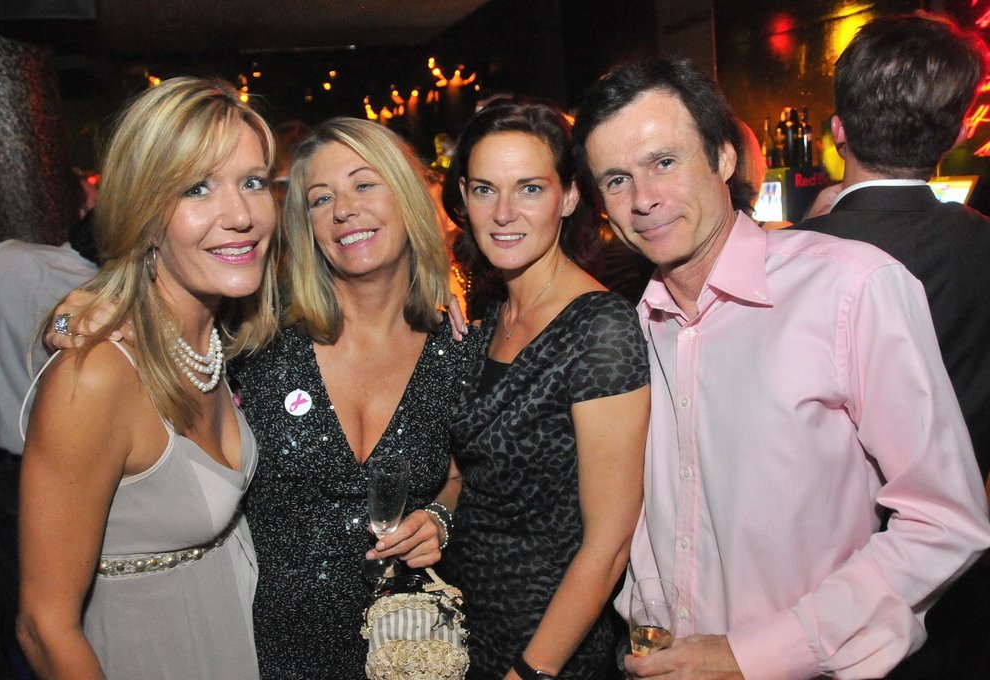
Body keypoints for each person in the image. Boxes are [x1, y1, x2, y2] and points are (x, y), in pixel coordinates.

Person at [572, 57, 990, 679]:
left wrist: (756, 655)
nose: (643, 199)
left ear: (723, 158)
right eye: (616, 179)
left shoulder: (849, 287)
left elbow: (944, 521)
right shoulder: (632, 328)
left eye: (664, 162)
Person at [15, 76, 281, 679]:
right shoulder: (96, 377)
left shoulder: (218, 335)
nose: (241, 215)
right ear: (145, 212)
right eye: (197, 188)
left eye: (252, 182)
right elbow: (43, 627)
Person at [232, 117, 480, 679]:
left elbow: (464, 475)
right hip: (273, 651)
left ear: (406, 197)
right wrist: (80, 313)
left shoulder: (459, 349)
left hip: (407, 650)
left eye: (364, 184)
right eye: (321, 199)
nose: (344, 210)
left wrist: (440, 516)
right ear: (307, 226)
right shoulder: (257, 342)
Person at [793, 13, 990, 678]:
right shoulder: (982, 245)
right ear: (959, 133)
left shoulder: (784, 262)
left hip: (818, 593)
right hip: (955, 584)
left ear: (837, 130)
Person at [442, 100, 650, 679]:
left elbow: (609, 545)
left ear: (570, 196)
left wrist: (531, 671)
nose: (503, 213)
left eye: (529, 189)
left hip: (548, 646)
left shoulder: (600, 329)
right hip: (465, 628)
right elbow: (468, 473)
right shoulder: (491, 311)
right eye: (484, 190)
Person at [0, 177, 99, 678]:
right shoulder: (96, 298)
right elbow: (57, 331)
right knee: (53, 615)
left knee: (1, 615)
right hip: (57, 482)